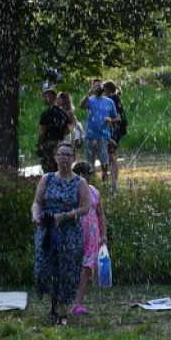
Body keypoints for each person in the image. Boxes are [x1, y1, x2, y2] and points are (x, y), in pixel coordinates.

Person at [32, 143, 90, 326]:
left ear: (74, 158)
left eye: (68, 155)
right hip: (48, 229)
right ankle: (54, 304)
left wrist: (64, 216)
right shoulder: (47, 179)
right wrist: (36, 217)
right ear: (55, 157)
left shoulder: (80, 182)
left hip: (70, 231)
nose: (64, 158)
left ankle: (62, 313)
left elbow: (85, 208)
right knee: (47, 269)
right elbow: (37, 202)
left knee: (67, 269)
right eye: (61, 154)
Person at [70, 161, 108, 315]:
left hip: (91, 234)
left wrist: (103, 234)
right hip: (75, 231)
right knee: (72, 265)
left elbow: (100, 214)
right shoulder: (72, 191)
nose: (90, 178)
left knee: (86, 268)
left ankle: (78, 303)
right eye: (88, 175)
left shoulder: (94, 191)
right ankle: (66, 299)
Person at [80, 80, 118, 183]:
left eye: (99, 85)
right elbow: (81, 106)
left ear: (103, 86)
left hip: (103, 136)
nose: (97, 87)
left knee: (104, 163)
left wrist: (110, 120)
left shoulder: (109, 101)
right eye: (94, 85)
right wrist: (89, 93)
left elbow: (117, 117)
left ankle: (104, 183)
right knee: (89, 164)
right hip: (89, 136)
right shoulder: (90, 100)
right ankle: (90, 184)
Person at [37, 89, 69, 173]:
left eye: (44, 97)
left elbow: (43, 131)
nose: (43, 99)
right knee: (59, 167)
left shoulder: (46, 113)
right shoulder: (63, 113)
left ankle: (49, 184)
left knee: (48, 168)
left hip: (48, 143)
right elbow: (68, 130)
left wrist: (39, 144)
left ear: (50, 97)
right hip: (60, 143)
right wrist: (59, 134)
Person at [103, 80, 127, 188]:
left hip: (114, 129)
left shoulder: (112, 98)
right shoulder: (114, 97)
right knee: (111, 155)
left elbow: (117, 116)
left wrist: (109, 121)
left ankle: (112, 182)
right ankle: (111, 181)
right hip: (116, 129)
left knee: (111, 156)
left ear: (107, 90)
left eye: (103, 88)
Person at [57, 91, 85, 158]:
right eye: (57, 98)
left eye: (59, 99)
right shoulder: (58, 110)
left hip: (65, 135)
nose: (57, 100)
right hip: (59, 135)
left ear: (65, 100)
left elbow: (75, 123)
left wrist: (81, 135)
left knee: (66, 153)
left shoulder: (69, 112)